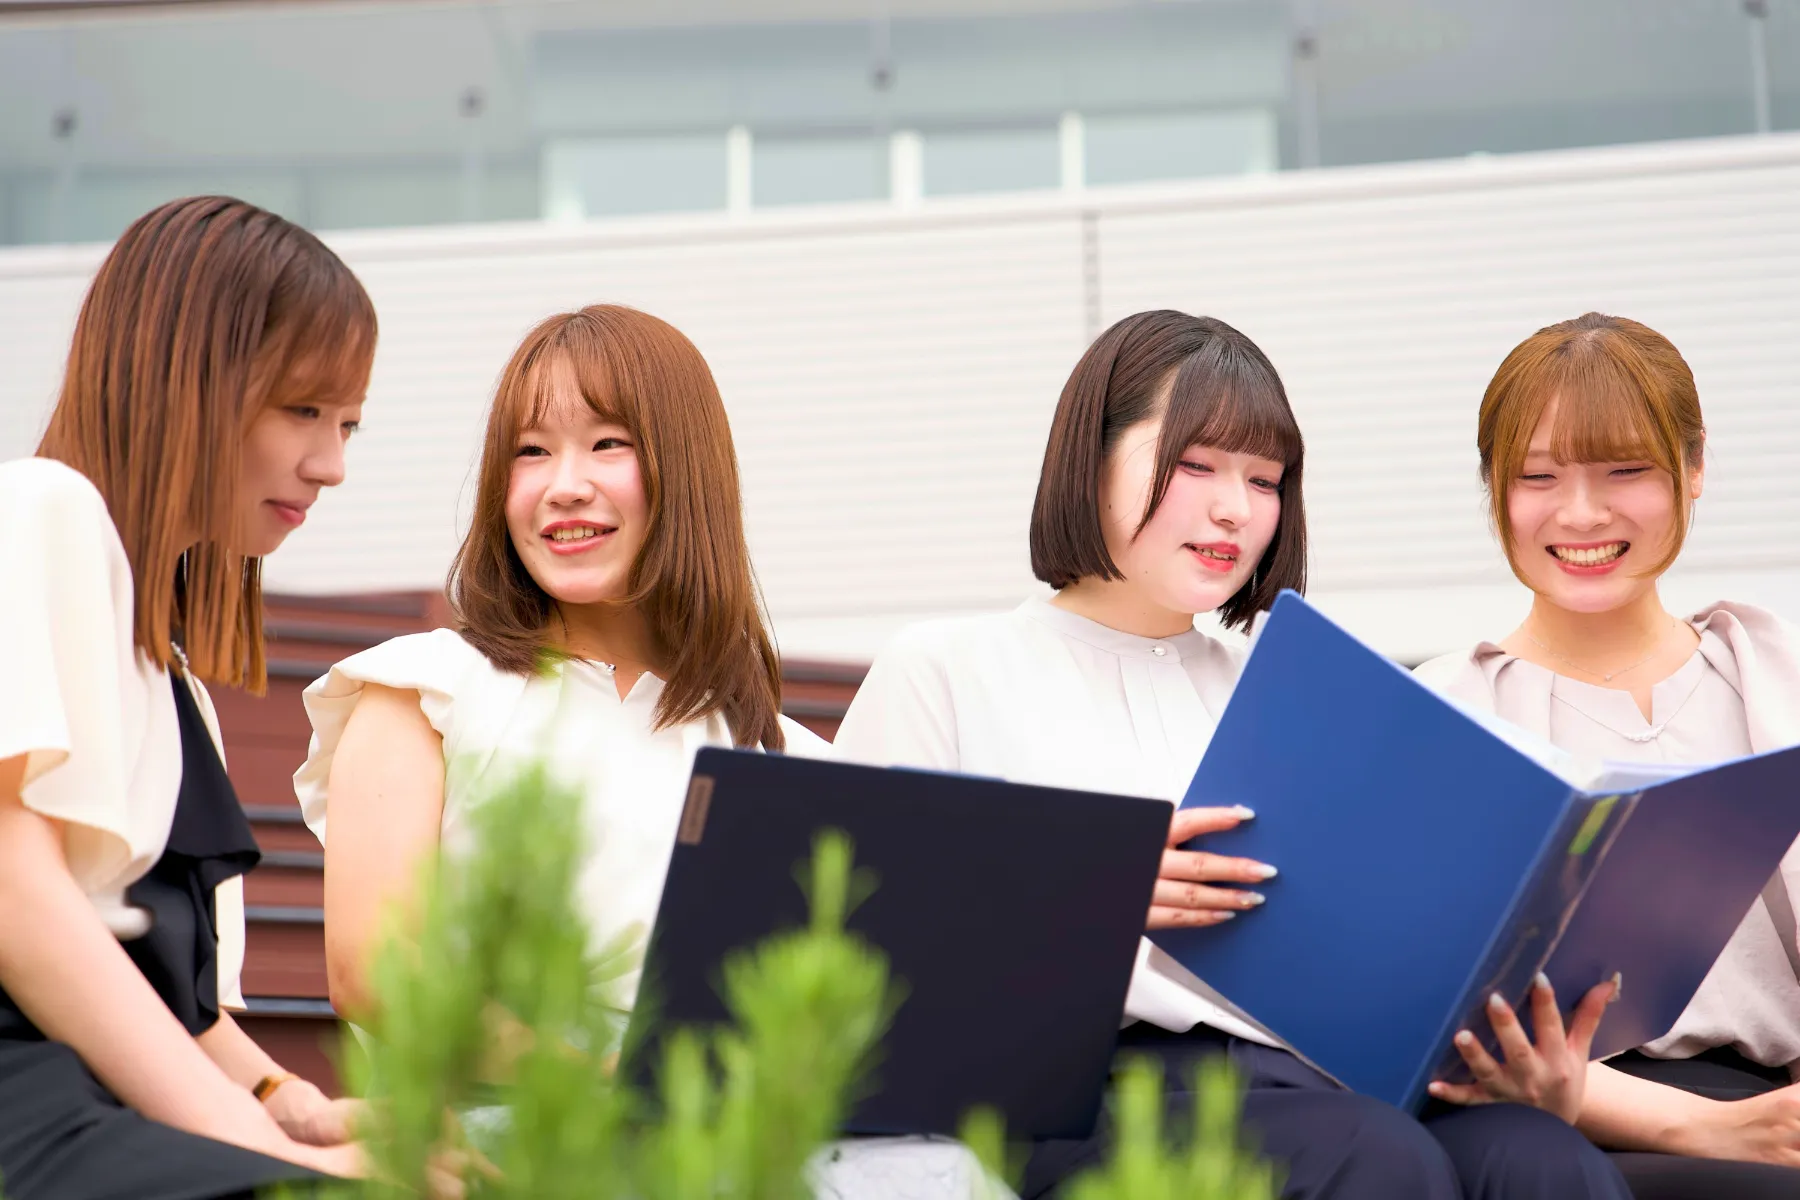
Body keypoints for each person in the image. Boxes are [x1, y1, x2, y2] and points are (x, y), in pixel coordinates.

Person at [832, 309, 1632, 1198]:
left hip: (1321, 1078)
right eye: (1196, 465)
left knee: (1539, 1157)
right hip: (1079, 1095)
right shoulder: (946, 667)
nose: (1235, 509)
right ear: (1089, 456)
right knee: (1375, 1155)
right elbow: (853, 964)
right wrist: (1089, 905)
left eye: (1265, 479)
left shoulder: (1288, 679)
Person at [297, 304, 994, 1197]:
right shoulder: (421, 689)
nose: (564, 486)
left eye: (607, 445)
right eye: (531, 452)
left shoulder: (776, 752)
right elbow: (376, 974)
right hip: (510, 1133)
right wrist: (624, 1077)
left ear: (686, 470)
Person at [0, 195, 376, 1199]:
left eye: (347, 424)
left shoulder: (172, 684)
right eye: (303, 410)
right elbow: (15, 894)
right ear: (188, 379)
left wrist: (286, 1100)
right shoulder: (39, 507)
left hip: (99, 1106)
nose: (331, 465)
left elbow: (162, 994)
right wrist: (269, 1150)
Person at [1415, 312, 1800, 1200]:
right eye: (1537, 477)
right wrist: (1707, 1128)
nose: (1581, 513)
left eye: (1625, 470)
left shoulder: (1771, 673)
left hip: (1774, 1108)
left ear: (1694, 468)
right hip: (1551, 1133)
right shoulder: (1445, 713)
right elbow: (1431, 1010)